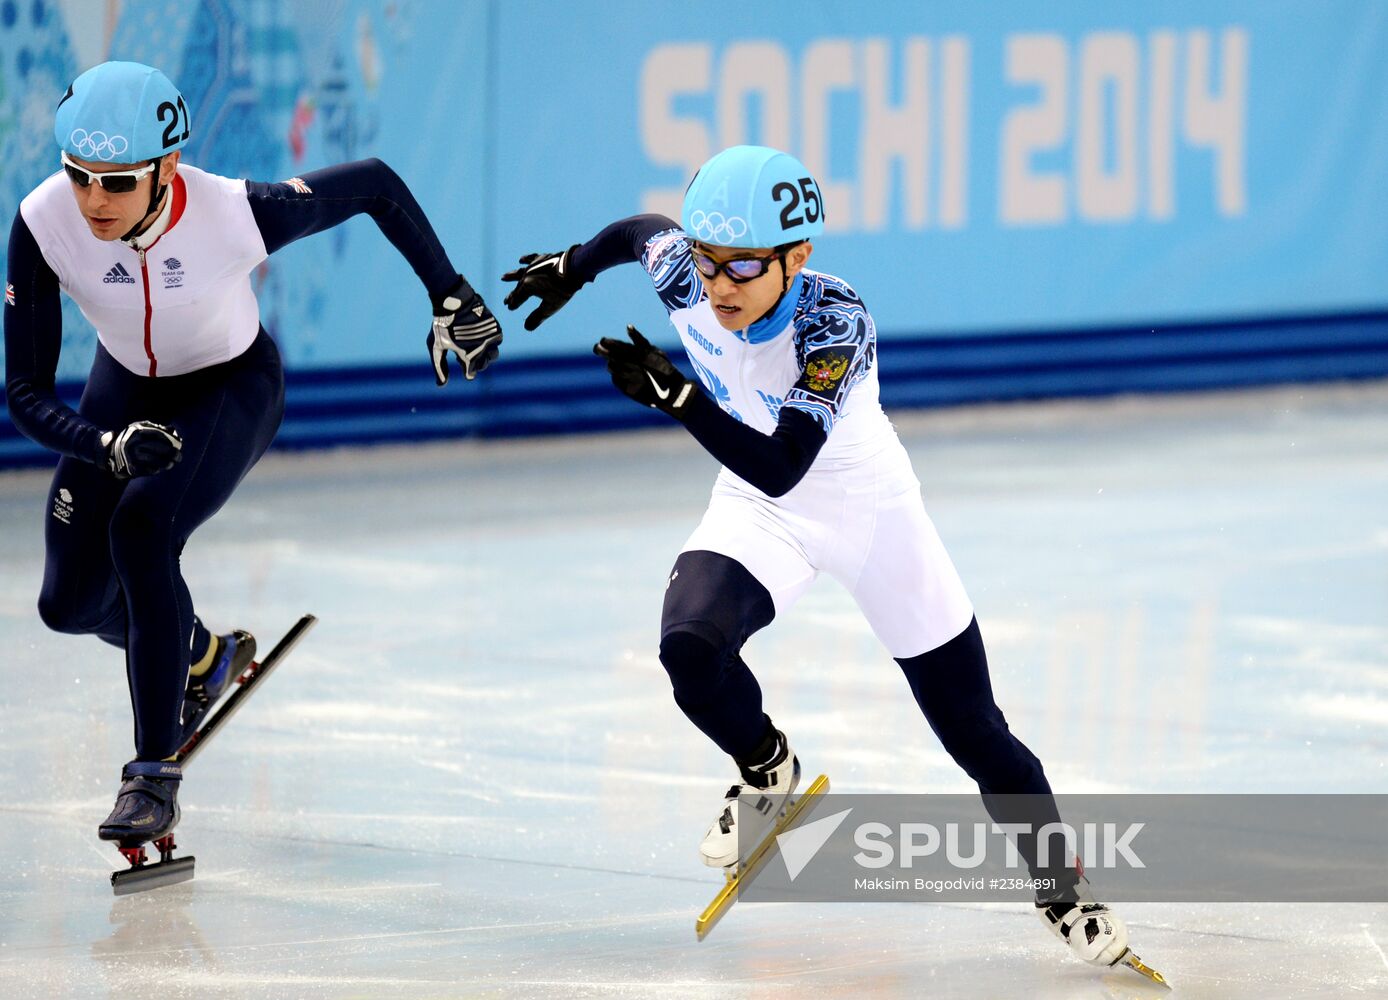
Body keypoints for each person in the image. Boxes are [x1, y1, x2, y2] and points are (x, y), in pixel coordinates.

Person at [502, 145, 1134, 971]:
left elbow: (785, 462)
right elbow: (640, 232)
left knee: (976, 733)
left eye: (744, 267)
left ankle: (1064, 890)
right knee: (688, 649)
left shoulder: (834, 322)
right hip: (760, 510)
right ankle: (769, 770)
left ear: (797, 258)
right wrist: (572, 267)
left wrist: (679, 397)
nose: (718, 285)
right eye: (707, 261)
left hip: (868, 514)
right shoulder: (686, 272)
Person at [3, 61, 501, 852]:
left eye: (116, 182)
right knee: (67, 605)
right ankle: (201, 655)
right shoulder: (42, 221)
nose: (92, 200)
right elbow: (23, 392)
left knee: (141, 533)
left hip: (229, 389)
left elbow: (374, 182)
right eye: (77, 175)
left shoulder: (231, 214)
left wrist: (451, 295)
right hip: (119, 399)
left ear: (166, 169)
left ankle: (150, 780)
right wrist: (104, 444)